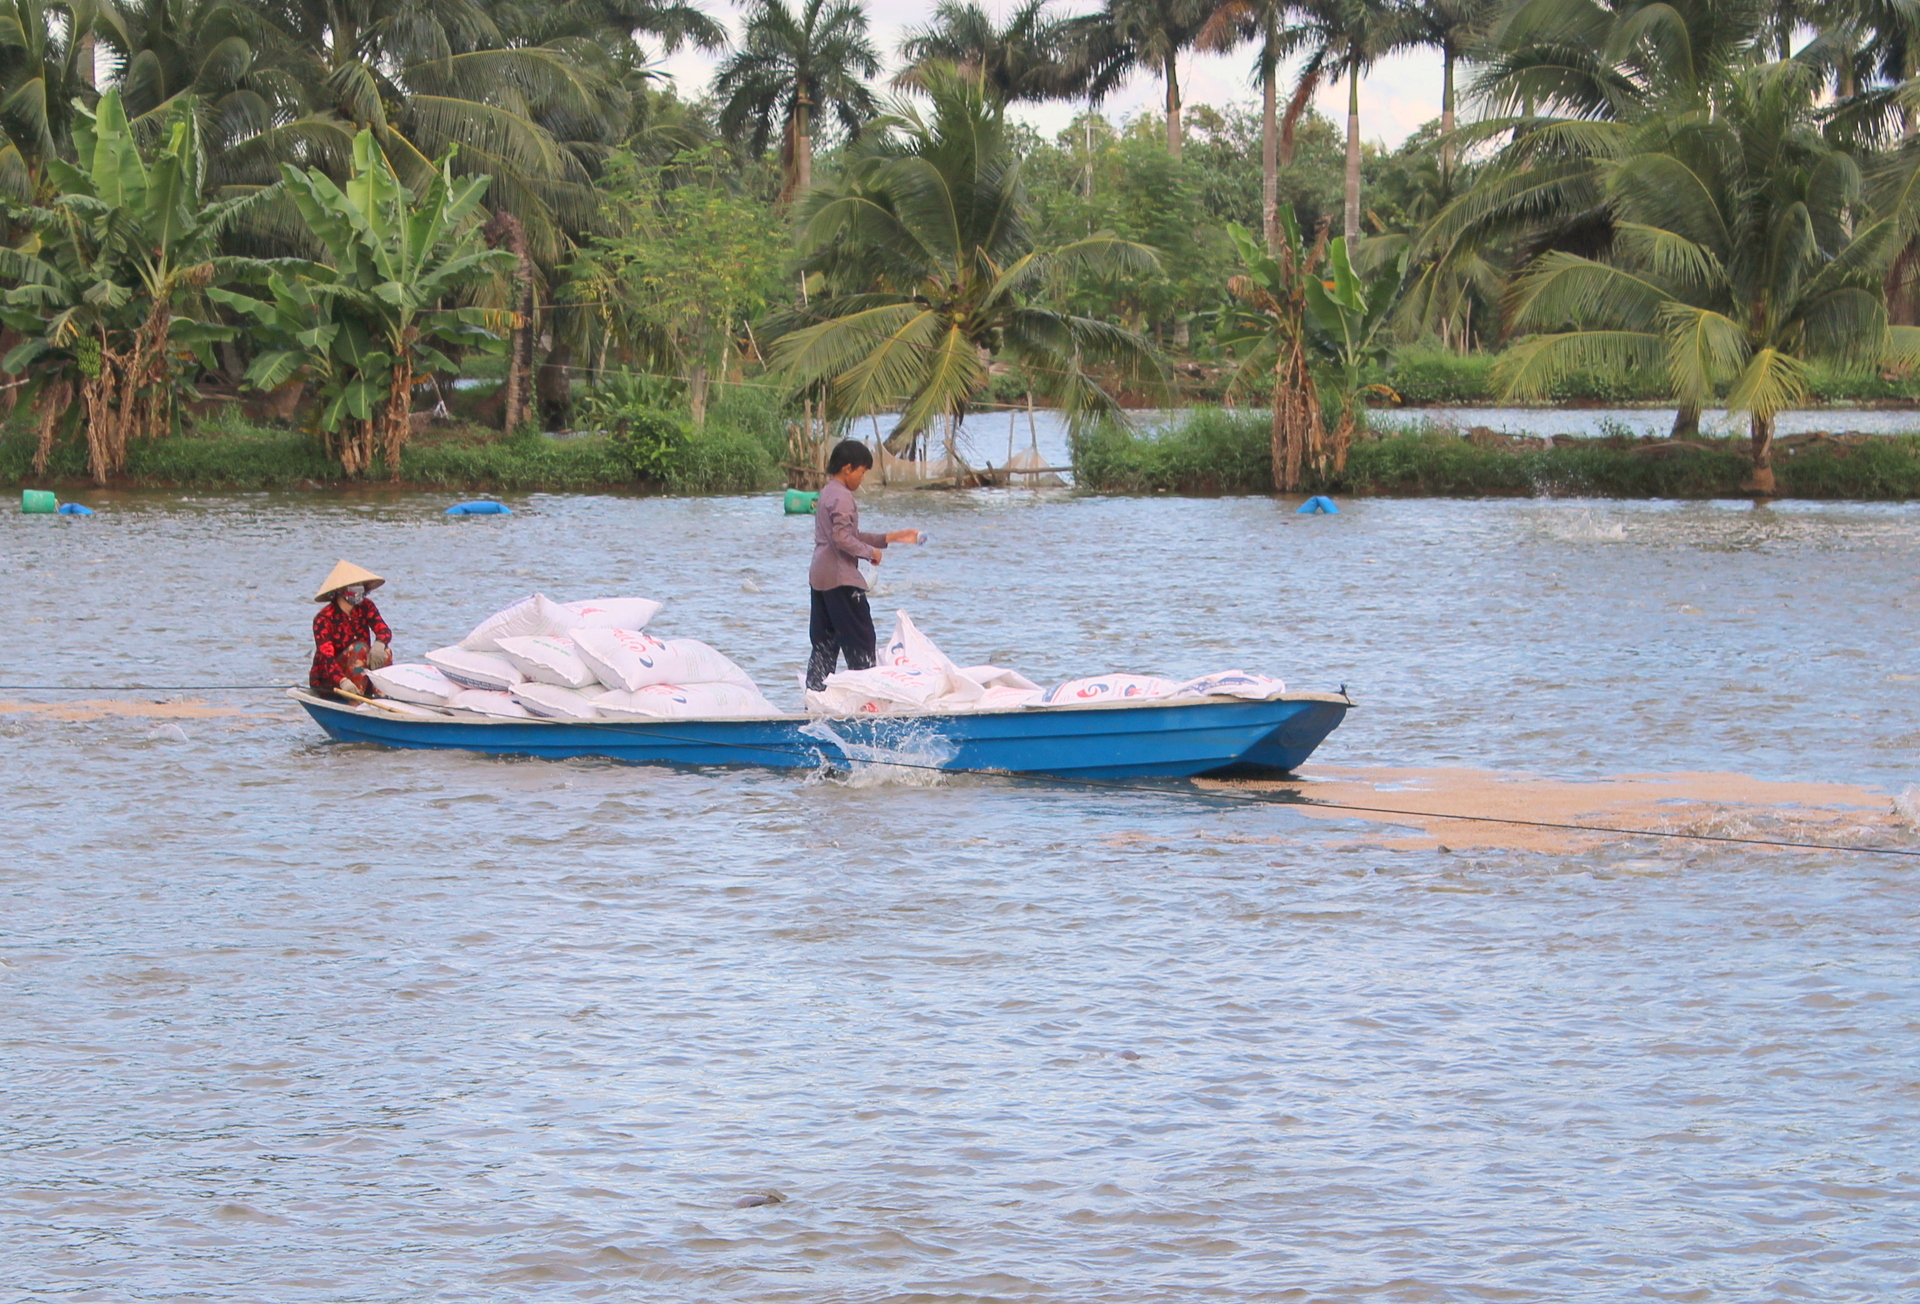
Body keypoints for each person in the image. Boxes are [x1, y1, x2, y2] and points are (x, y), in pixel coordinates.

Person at [808, 440, 920, 691]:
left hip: (820, 577)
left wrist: (889, 538)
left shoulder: (828, 491)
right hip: (841, 579)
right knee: (861, 641)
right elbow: (842, 539)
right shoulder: (843, 497)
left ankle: (815, 698)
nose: (862, 478)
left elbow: (848, 534)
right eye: (862, 472)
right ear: (848, 468)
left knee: (824, 645)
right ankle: (866, 700)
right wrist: (871, 553)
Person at [310, 560, 394, 697]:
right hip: (333, 681)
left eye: (360, 586)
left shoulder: (366, 606)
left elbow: (383, 630)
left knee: (385, 651)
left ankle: (381, 698)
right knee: (359, 648)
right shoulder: (323, 618)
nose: (358, 592)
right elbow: (326, 657)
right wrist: (343, 681)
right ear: (340, 591)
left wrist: (380, 644)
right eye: (352, 588)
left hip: (361, 673)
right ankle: (356, 700)